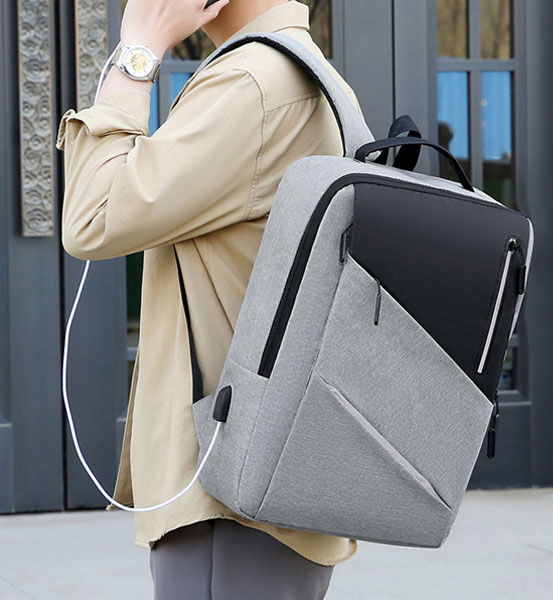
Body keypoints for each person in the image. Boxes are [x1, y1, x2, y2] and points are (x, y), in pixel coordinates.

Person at [55, 0, 365, 597]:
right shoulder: (306, 73)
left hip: (226, 496)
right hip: (266, 477)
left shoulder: (253, 82)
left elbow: (93, 217)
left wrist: (138, 50)